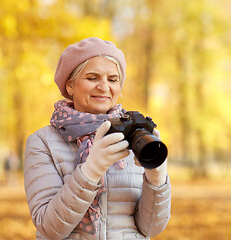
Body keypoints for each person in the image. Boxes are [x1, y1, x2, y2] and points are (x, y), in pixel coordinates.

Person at [24, 37, 171, 240]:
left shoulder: (135, 138)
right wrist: (90, 171)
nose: (104, 87)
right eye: (93, 78)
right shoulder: (43, 142)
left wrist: (156, 178)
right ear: (70, 86)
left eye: (112, 79)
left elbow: (151, 228)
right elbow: (50, 228)